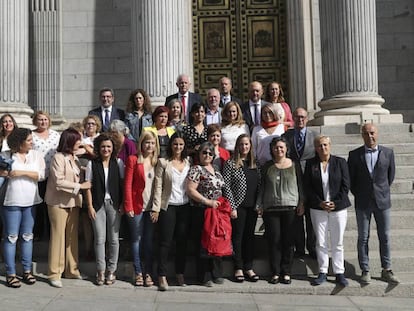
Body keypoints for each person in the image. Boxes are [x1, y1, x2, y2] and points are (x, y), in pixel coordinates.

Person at [348, 123, 399, 285]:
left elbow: (390, 176)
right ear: (362, 135)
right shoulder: (355, 155)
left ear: (377, 133)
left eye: (372, 133)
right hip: (362, 201)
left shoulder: (388, 153)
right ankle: (365, 269)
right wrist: (361, 193)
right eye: (366, 133)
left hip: (382, 201)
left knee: (384, 236)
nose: (369, 136)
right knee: (363, 237)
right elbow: (351, 180)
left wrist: (379, 192)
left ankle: (387, 269)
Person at [44, 128, 91, 288]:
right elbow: (58, 181)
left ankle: (72, 270)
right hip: (58, 203)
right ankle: (54, 273)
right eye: (77, 139)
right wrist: (80, 186)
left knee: (72, 238)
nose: (80, 141)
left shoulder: (74, 157)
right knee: (58, 238)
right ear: (69, 141)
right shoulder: (58, 157)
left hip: (73, 203)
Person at [304, 136, 351, 287]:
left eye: (325, 145)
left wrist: (335, 203)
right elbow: (308, 187)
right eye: (319, 145)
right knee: (321, 241)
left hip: (338, 209)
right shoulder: (311, 164)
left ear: (330, 145)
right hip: (318, 208)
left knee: (337, 242)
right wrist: (320, 202)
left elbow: (346, 185)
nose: (322, 148)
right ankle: (323, 271)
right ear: (315, 148)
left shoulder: (340, 162)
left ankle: (339, 272)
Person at [257, 137, 304, 285]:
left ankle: (286, 271)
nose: (279, 150)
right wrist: (260, 204)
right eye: (276, 147)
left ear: (286, 149)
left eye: (282, 147)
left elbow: (300, 185)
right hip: (271, 208)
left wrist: (301, 202)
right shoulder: (267, 166)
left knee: (288, 241)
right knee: (274, 240)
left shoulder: (294, 165)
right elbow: (262, 187)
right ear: (272, 149)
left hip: (290, 207)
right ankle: (275, 272)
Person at [1, 128, 45, 288]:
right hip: (11, 201)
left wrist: (19, 172)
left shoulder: (36, 155)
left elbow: (41, 175)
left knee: (27, 236)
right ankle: (11, 273)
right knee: (11, 237)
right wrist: (6, 172)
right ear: (19, 142)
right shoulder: (7, 155)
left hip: (31, 201)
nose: (32, 142)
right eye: (28, 140)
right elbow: (3, 173)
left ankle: (27, 271)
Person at [153, 131, 192, 291]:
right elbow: (158, 186)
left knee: (182, 242)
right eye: (175, 144)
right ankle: (161, 275)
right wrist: (156, 208)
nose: (178, 147)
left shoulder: (188, 161)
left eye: (181, 144)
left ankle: (180, 273)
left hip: (185, 205)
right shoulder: (163, 162)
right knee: (165, 242)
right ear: (171, 145)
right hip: (168, 206)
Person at [186, 141, 229, 287]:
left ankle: (217, 273)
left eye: (210, 153)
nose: (207, 155)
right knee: (204, 243)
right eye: (204, 152)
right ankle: (204, 276)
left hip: (217, 211)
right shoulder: (196, 169)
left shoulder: (216, 168)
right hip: (202, 210)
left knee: (216, 241)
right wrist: (207, 201)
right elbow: (191, 190)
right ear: (199, 154)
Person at [85, 133, 124, 286]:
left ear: (113, 148)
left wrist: (122, 204)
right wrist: (89, 206)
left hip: (114, 203)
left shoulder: (118, 162)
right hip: (97, 204)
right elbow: (88, 186)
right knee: (100, 238)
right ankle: (100, 270)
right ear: (98, 148)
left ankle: (111, 270)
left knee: (114, 239)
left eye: (108, 146)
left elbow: (122, 184)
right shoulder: (92, 164)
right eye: (103, 146)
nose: (106, 149)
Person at [222, 134, 261, 283]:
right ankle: (238, 267)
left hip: (252, 207)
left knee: (249, 237)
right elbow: (227, 186)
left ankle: (248, 267)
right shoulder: (231, 163)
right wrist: (232, 206)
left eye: (246, 144)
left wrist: (259, 204)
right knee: (237, 237)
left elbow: (260, 186)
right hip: (238, 207)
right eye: (241, 144)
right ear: (237, 146)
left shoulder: (255, 164)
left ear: (250, 146)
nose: (244, 147)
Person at [124, 131, 159, 287]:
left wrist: (157, 208)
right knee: (136, 240)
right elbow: (127, 184)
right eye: (147, 143)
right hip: (137, 206)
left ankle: (148, 272)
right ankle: (138, 271)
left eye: (152, 143)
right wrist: (128, 205)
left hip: (152, 207)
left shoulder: (158, 161)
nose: (149, 145)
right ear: (141, 144)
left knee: (149, 241)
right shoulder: (133, 160)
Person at [282, 107, 316, 258]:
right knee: (297, 217)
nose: (300, 120)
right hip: (293, 180)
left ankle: (313, 247)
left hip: (311, 180)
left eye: (302, 117)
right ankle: (300, 248)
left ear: (307, 119)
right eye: (297, 117)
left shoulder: (315, 136)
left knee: (311, 217)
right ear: (293, 119)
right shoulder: (286, 135)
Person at [31, 111, 61, 240]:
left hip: (53, 174)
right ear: (35, 121)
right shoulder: (31, 135)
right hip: (38, 174)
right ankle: (38, 232)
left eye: (45, 119)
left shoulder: (55, 135)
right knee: (39, 203)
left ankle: (50, 232)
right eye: (40, 119)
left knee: (51, 203)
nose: (43, 122)